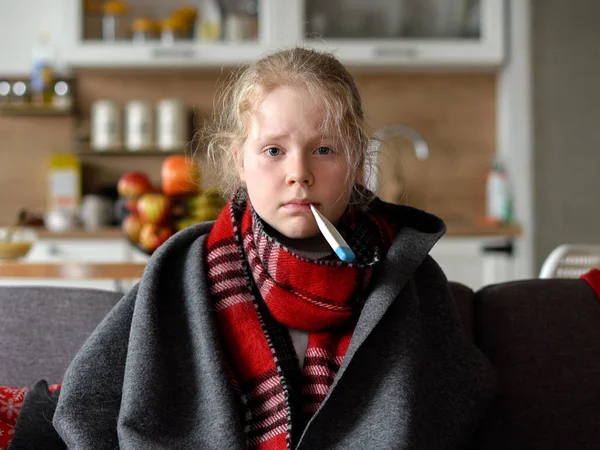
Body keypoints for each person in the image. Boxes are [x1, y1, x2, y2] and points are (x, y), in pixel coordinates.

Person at [12, 47, 495, 449]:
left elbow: (461, 407)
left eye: (325, 149)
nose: (298, 172)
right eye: (273, 151)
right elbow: (84, 404)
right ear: (238, 160)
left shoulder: (408, 275)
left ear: (356, 160)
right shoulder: (182, 268)